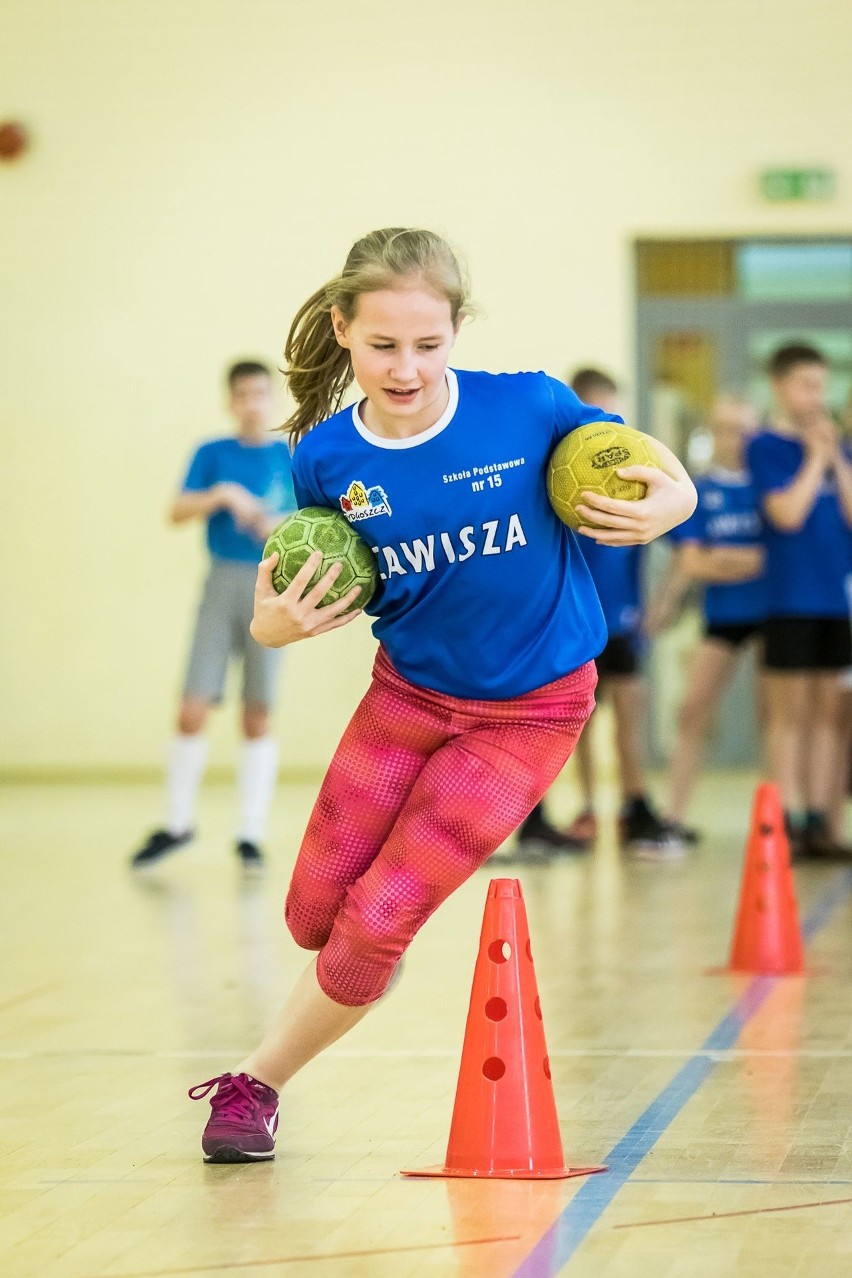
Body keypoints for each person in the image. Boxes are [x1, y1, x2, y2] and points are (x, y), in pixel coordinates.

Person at [187, 228, 697, 1163]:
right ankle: (368, 950)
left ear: (457, 329)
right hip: (407, 699)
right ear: (343, 329)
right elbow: (294, 598)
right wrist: (273, 627)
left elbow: (648, 469)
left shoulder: (533, 407)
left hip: (532, 715)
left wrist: (679, 502)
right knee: (312, 917)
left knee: (373, 921)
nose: (408, 368)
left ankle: (254, 1085)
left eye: (429, 343)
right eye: (383, 345)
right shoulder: (327, 460)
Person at [130, 360, 297, 873]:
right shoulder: (212, 453)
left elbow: (316, 518)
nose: (252, 403)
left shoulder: (289, 455)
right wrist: (222, 494)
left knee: (258, 712)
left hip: (270, 586)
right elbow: (176, 510)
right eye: (242, 394)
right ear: (230, 401)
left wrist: (279, 525)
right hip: (221, 582)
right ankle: (178, 822)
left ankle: (250, 832)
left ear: (272, 400)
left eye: (261, 394)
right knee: (193, 706)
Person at [518, 369, 672, 858]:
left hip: (622, 616)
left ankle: (636, 807)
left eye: (612, 403)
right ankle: (578, 810)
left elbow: (648, 545)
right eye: (596, 403)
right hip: (570, 614)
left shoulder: (631, 466)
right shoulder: (555, 471)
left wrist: (651, 604)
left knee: (631, 713)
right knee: (572, 721)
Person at [646, 396, 768, 842]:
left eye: (743, 429)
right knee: (692, 709)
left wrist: (722, 558)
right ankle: (674, 817)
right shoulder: (696, 491)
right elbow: (691, 564)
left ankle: (777, 818)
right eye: (724, 428)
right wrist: (744, 560)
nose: (733, 439)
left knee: (773, 718)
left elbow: (773, 559)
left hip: (771, 614)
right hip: (723, 616)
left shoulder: (766, 485)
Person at [747, 343, 852, 858]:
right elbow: (786, 514)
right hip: (790, 600)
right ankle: (784, 819)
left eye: (822, 384)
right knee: (789, 715)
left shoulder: (841, 450)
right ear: (780, 386)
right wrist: (814, 460)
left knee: (829, 715)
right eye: (806, 384)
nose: (816, 396)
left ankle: (820, 819)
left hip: (838, 601)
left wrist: (834, 455)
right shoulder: (765, 446)